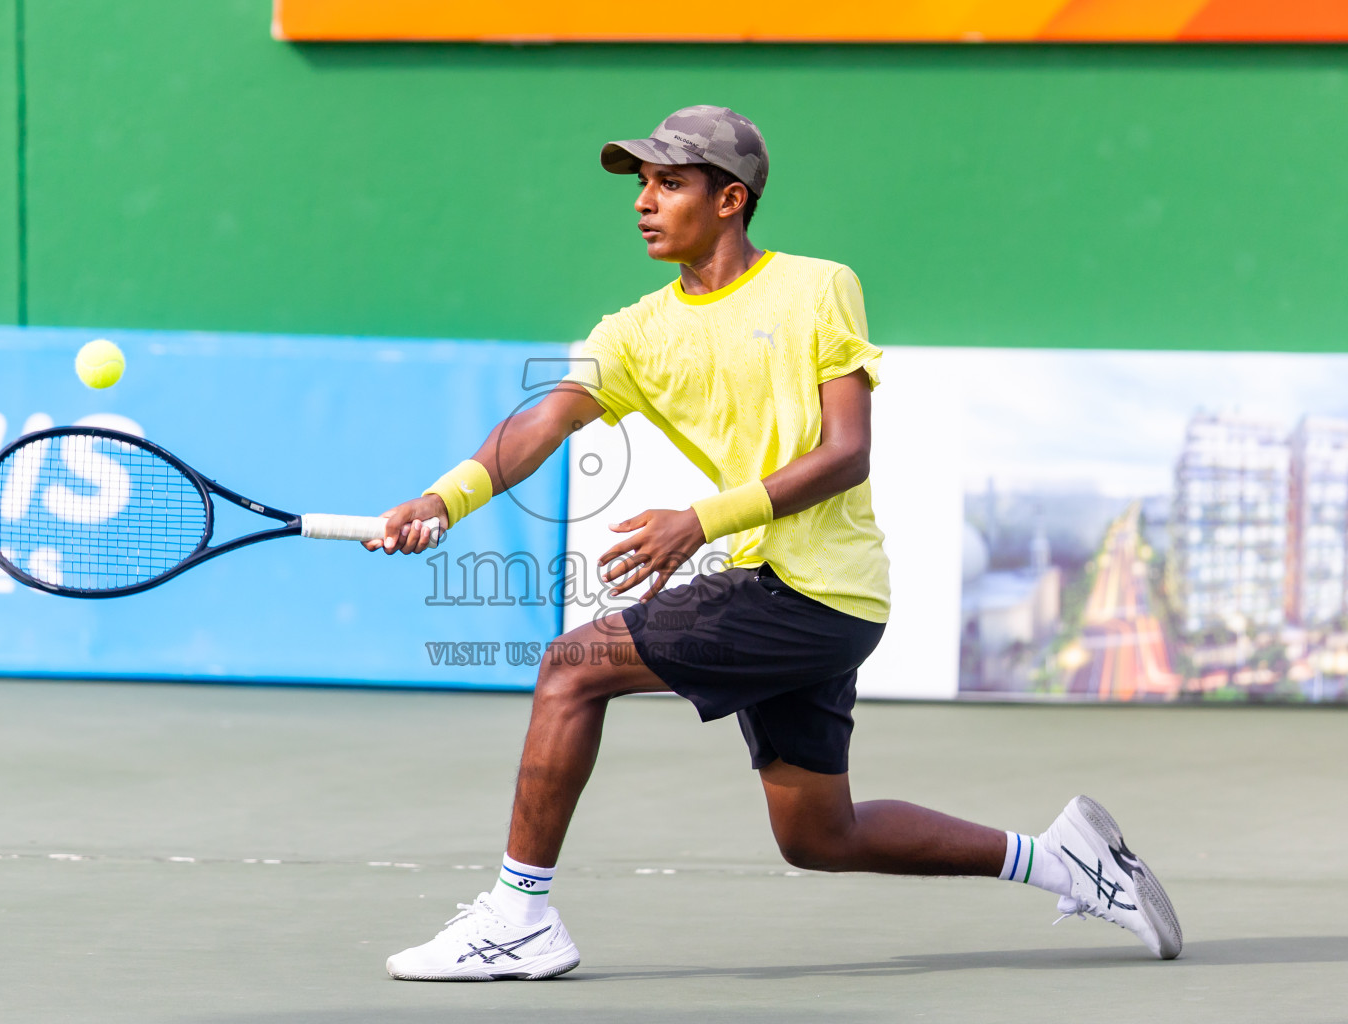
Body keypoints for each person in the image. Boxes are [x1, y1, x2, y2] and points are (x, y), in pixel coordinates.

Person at [366, 105, 1182, 981]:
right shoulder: (635, 331)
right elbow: (544, 421)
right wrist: (445, 498)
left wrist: (700, 520)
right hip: (788, 593)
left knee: (573, 666)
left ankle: (519, 916)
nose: (643, 201)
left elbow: (846, 453)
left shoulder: (817, 287)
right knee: (820, 835)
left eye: (667, 183)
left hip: (817, 589)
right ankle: (1065, 860)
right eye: (640, 184)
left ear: (730, 200)